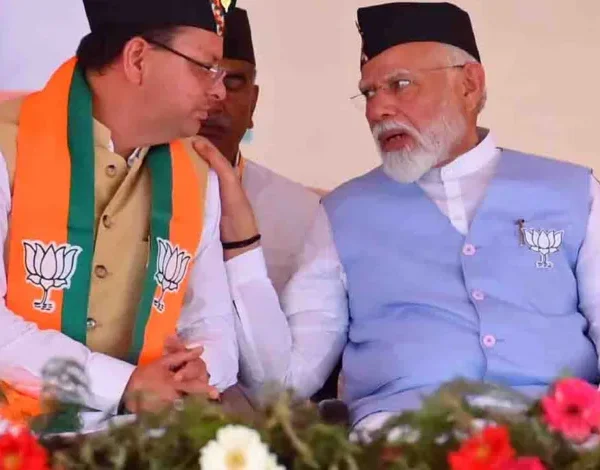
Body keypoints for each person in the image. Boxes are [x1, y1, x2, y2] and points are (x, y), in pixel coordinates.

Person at [200, 1, 600, 431]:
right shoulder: (344, 214)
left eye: (400, 85)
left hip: (562, 436)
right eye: (369, 93)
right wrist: (242, 247)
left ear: (469, 84)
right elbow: (282, 383)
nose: (377, 111)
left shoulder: (573, 192)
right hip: (403, 438)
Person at [0, 0, 240, 422]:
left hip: (137, 433)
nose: (219, 91)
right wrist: (123, 384)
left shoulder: (197, 174)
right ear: (137, 59)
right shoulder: (7, 145)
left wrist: (199, 368)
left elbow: (211, 320)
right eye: (206, 67)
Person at [197, 8, 337, 399]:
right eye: (203, 75)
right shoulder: (124, 193)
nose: (218, 97)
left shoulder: (301, 212)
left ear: (254, 103)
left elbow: (290, 379)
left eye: (234, 82)